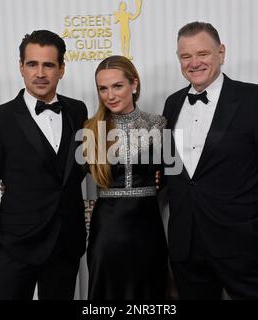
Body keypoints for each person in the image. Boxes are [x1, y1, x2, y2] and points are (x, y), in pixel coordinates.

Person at [162, 21, 258, 299]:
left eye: (203, 54)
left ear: (221, 53)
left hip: (242, 243)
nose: (194, 63)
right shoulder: (173, 104)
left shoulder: (254, 98)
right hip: (186, 246)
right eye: (186, 56)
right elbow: (175, 171)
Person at [0, 30, 88, 300]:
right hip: (14, 248)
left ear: (61, 69)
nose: (40, 73)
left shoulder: (77, 111)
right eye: (32, 64)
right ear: (21, 67)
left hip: (66, 245)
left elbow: (80, 169)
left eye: (48, 65)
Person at [84, 55, 168, 300]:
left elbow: (175, 174)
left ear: (134, 84)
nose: (110, 95)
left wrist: (161, 178)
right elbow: (61, 179)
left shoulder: (158, 124)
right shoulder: (90, 129)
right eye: (103, 88)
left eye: (117, 86)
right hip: (107, 233)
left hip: (148, 231)